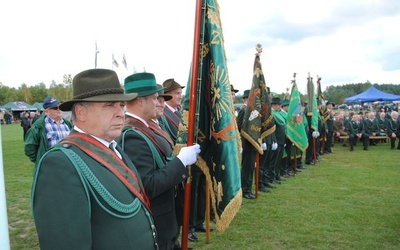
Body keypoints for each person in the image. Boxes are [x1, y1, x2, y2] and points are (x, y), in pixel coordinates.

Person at [32, 68, 159, 249]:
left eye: (121, 105)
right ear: (81, 112)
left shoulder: (114, 147)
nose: (120, 113)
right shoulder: (60, 164)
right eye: (109, 105)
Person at [116, 72, 200, 249]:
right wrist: (181, 161)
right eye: (154, 98)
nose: (158, 102)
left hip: (166, 218)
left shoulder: (147, 126)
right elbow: (148, 185)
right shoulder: (132, 135)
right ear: (140, 101)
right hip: (157, 222)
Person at [25, 97, 72, 165]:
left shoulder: (67, 123)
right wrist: (40, 160)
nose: (59, 109)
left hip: (68, 163)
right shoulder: (38, 126)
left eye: (60, 107)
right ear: (46, 111)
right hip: (50, 165)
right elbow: (29, 147)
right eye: (55, 108)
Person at [162, 78, 185, 144]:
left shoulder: (178, 111)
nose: (180, 97)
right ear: (167, 95)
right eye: (177, 93)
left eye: (181, 93)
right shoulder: (162, 115)